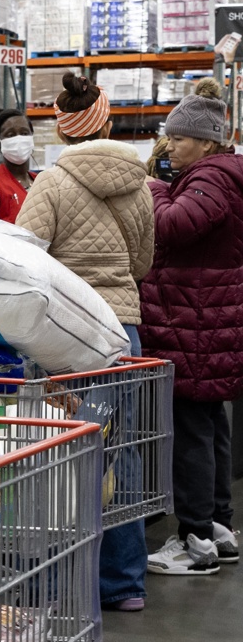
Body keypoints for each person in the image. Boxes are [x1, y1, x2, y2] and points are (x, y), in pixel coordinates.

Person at [16, 73, 154, 612]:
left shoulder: (50, 183)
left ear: (62, 128)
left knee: (62, 453)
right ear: (108, 121)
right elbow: (142, 263)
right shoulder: (139, 183)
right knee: (121, 451)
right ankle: (123, 583)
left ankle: (56, 585)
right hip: (121, 327)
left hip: (64, 329)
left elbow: (27, 257)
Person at [140, 79, 243, 578]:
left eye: (178, 138)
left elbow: (173, 226)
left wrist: (156, 190)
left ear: (205, 142)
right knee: (210, 427)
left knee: (192, 433)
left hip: (195, 322)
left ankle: (194, 538)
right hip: (205, 321)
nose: (169, 145)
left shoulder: (210, 179)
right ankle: (218, 526)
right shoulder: (217, 173)